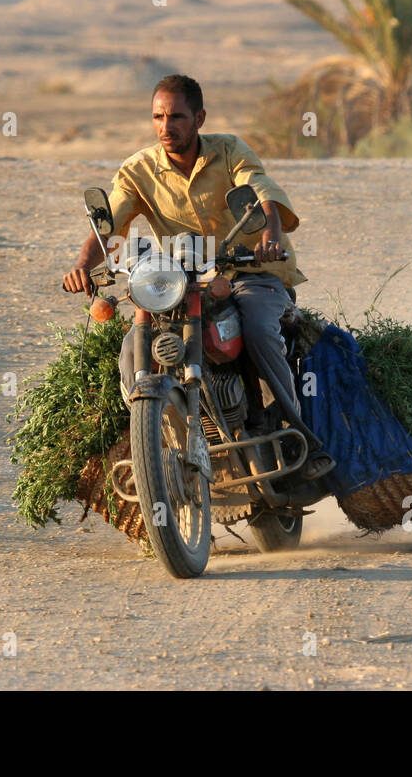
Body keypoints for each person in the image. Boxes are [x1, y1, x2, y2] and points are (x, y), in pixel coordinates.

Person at [62, 74, 335, 480]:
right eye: (158, 116)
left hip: (249, 271)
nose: (165, 127)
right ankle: (153, 447)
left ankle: (299, 435)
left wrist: (269, 239)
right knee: (132, 348)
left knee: (259, 328)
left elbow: (263, 194)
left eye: (176, 116)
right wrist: (83, 265)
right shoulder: (139, 169)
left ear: (199, 118)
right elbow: (108, 225)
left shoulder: (229, 151)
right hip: (181, 278)